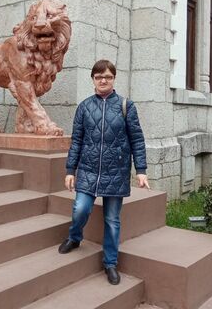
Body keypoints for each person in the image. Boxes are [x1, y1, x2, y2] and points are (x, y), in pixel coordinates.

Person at [58, 59, 149, 285]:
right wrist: (70, 170)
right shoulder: (84, 107)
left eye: (107, 77)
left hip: (116, 171)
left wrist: (141, 170)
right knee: (81, 209)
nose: (103, 81)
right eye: (99, 77)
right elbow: (76, 141)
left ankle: (110, 263)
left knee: (112, 220)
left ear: (114, 79)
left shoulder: (127, 106)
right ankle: (75, 237)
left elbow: (137, 140)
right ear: (93, 80)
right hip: (88, 169)